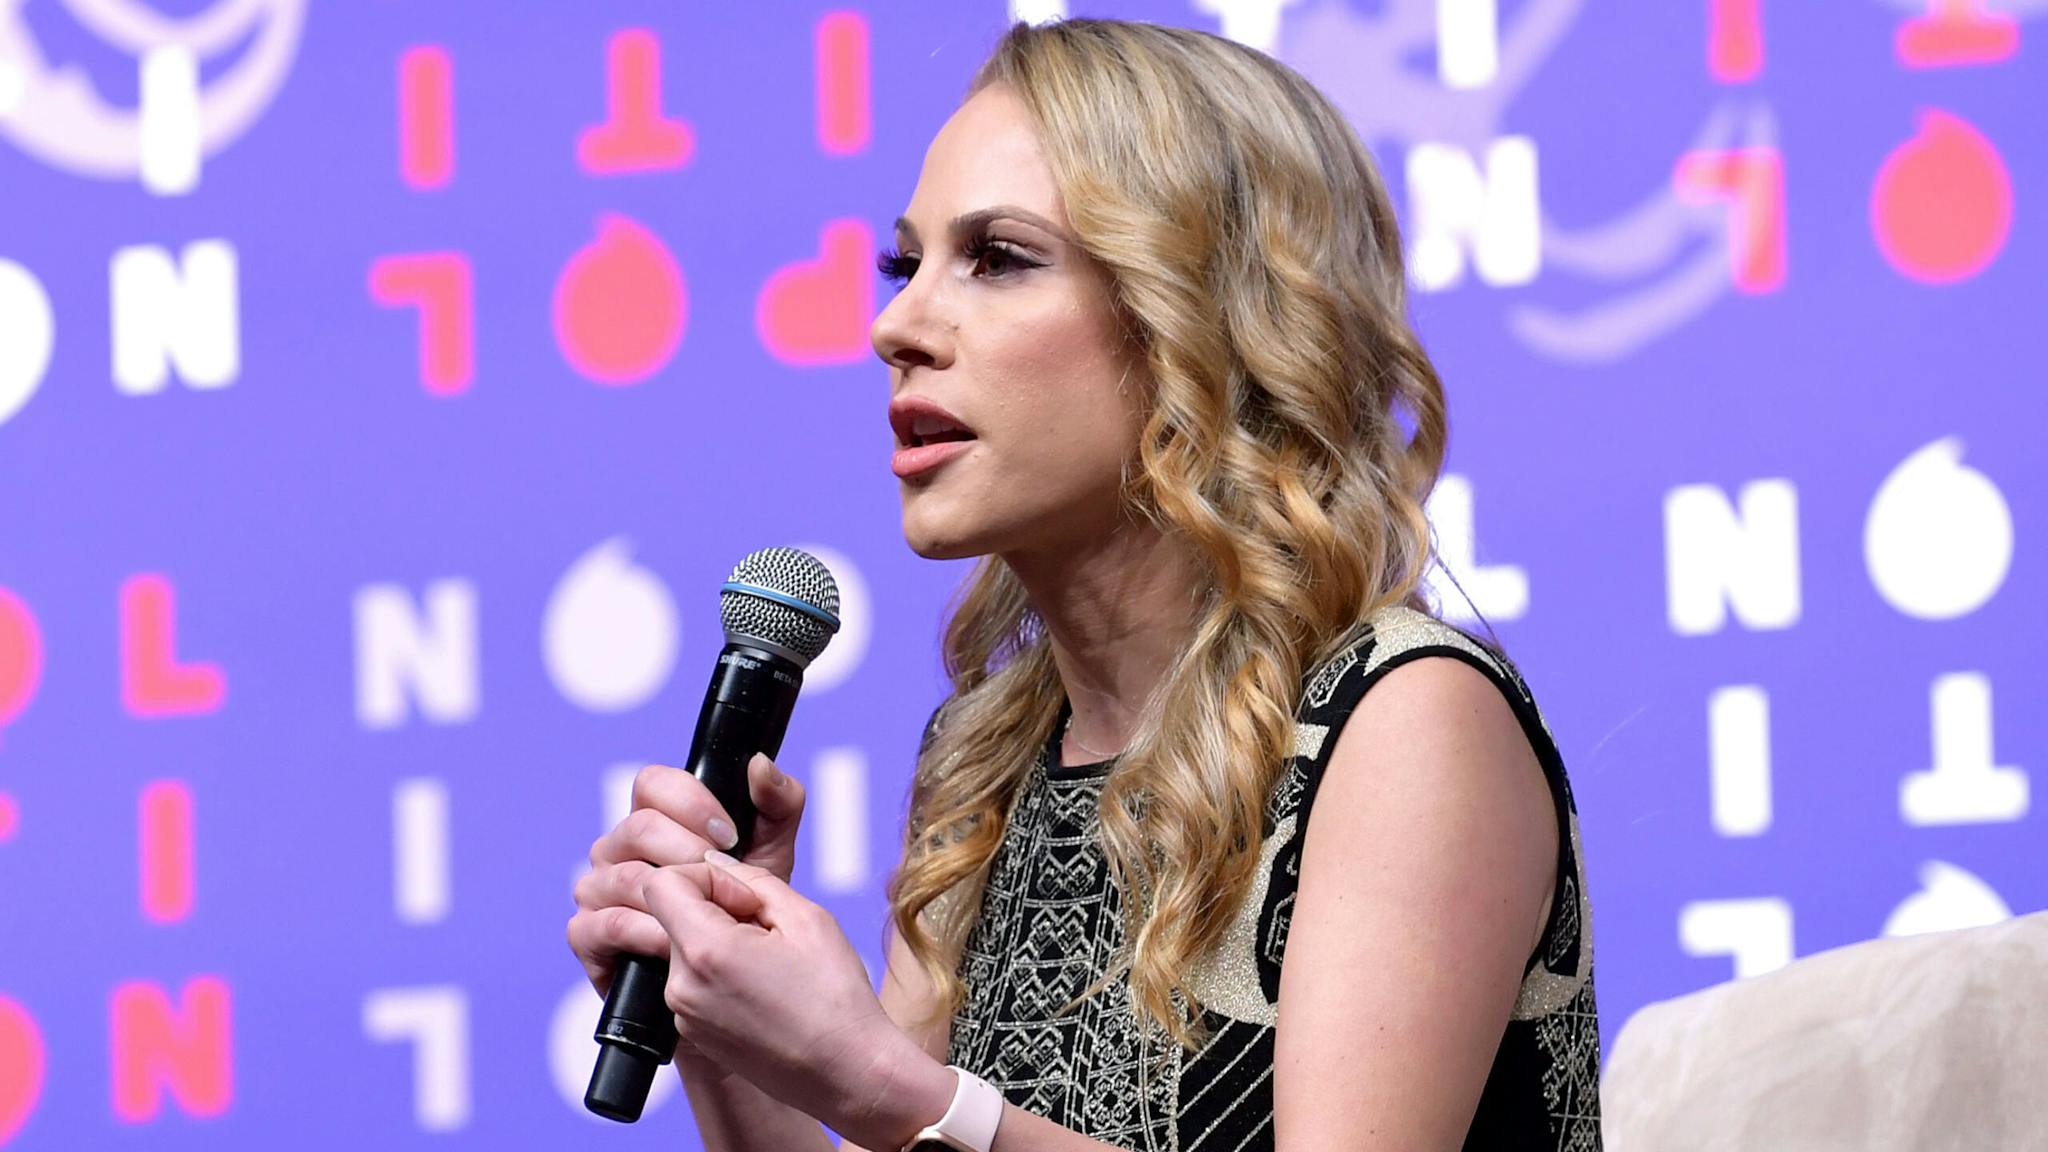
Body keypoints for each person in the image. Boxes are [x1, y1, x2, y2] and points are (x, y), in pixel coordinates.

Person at [567, 17, 1599, 1152]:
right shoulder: (985, 762)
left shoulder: (1401, 719)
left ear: (1196, 323)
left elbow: (919, 1119)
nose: (895, 325)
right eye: (906, 264)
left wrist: (901, 1093)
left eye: (997, 259)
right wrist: (729, 1028)